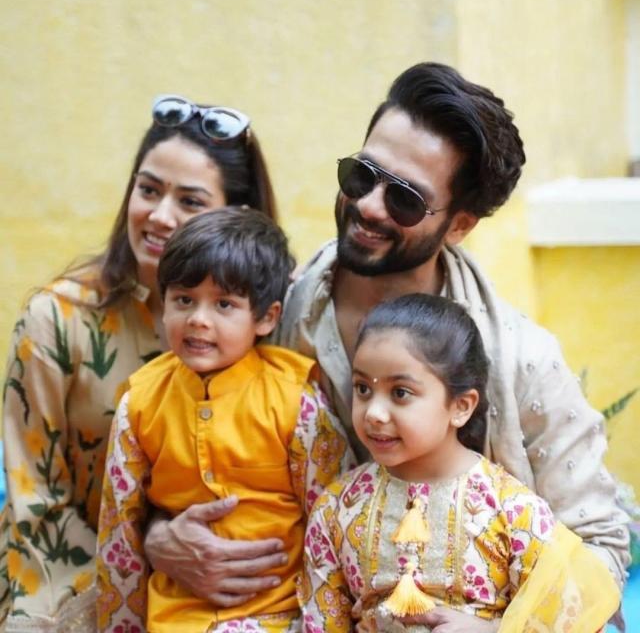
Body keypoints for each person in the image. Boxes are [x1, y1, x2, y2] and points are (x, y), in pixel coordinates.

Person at [143, 63, 630, 608]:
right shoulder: (264, 317)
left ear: (460, 225)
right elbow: (171, 449)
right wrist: (159, 539)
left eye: (405, 199)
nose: (369, 205)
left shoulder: (521, 360)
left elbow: (601, 548)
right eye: (361, 175)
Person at [0, 94, 282, 631]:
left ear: (238, 217)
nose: (160, 215)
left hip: (236, 600)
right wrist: (142, 556)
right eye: (148, 190)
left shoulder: (265, 321)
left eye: (190, 201)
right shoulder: (55, 321)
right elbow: (35, 505)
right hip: (73, 586)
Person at [96, 208, 354, 633]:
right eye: (184, 299)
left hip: (277, 616)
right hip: (174, 618)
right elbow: (118, 528)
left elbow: (333, 520)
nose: (198, 319)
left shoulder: (296, 404)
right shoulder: (139, 403)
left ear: (266, 317)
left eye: (224, 304)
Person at [299, 293, 620, 632]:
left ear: (461, 406)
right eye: (363, 388)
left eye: (400, 393)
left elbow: (580, 618)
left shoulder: (513, 511)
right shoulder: (336, 509)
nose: (374, 413)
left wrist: (491, 630)